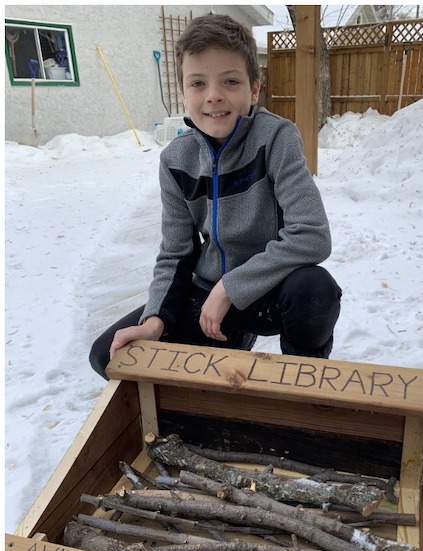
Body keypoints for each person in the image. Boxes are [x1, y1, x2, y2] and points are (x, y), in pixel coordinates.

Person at [89, 13, 342, 378]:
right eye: (198, 83)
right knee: (110, 356)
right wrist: (156, 318)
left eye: (230, 81)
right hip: (204, 295)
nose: (213, 96)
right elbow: (176, 252)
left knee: (315, 290)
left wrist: (231, 287)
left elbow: (312, 235)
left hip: (268, 293)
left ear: (254, 88)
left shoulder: (275, 139)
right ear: (183, 92)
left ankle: (302, 388)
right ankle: (187, 418)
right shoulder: (175, 161)